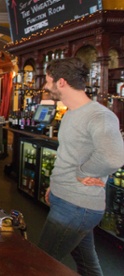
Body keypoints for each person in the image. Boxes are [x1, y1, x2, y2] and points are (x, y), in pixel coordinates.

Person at [38, 58, 124, 275]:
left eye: (49, 81)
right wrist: (55, 186)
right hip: (67, 199)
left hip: (77, 206)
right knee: (87, 264)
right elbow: (69, 156)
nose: (46, 86)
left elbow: (114, 157)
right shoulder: (70, 114)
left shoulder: (100, 116)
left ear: (62, 82)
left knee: (38, 264)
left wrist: (83, 173)